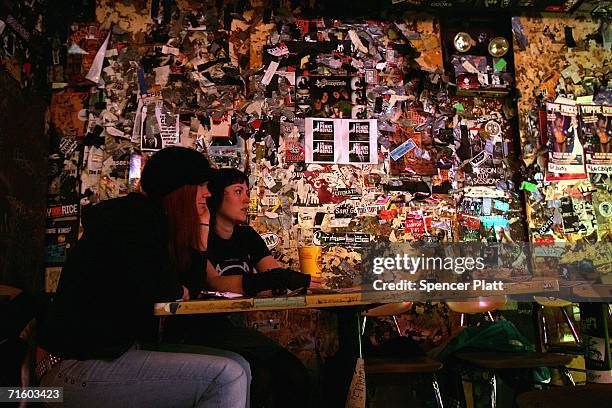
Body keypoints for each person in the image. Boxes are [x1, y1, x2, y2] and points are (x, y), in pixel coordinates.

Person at [37, 147, 249, 408]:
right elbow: (162, 289)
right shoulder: (134, 219)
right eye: (201, 185)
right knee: (228, 377)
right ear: (179, 187)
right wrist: (174, 288)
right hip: (72, 369)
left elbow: (190, 289)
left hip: (113, 355)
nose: (208, 193)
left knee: (239, 365)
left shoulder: (154, 220)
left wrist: (203, 225)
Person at [165, 168, 312, 408]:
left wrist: (289, 280)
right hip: (194, 331)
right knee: (260, 377)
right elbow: (215, 283)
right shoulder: (199, 233)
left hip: (232, 330)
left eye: (247, 192)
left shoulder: (247, 236)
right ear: (216, 197)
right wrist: (273, 281)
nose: (247, 200)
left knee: (294, 373)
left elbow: (273, 275)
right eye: (238, 192)